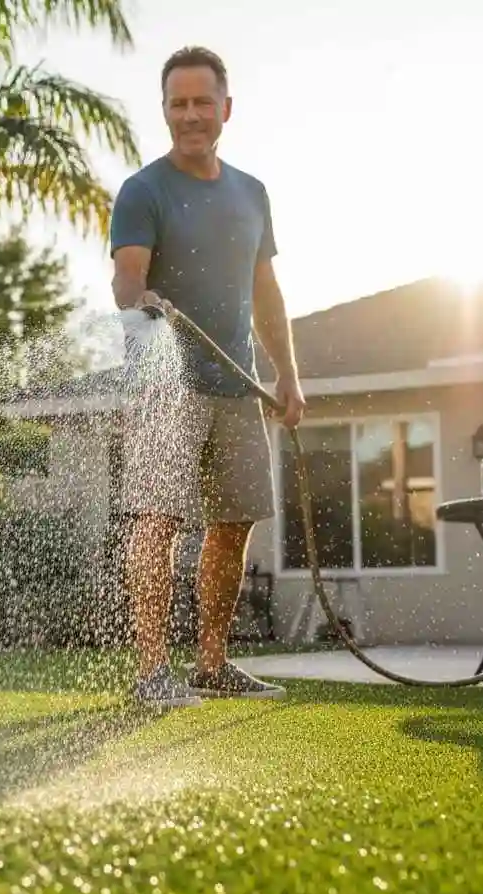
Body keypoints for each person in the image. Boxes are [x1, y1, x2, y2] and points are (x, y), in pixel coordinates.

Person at [109, 45, 306, 708]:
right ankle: (150, 675)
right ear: (165, 110)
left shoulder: (252, 193)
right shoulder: (144, 191)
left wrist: (288, 375)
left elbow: (266, 291)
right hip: (166, 388)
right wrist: (142, 299)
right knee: (158, 522)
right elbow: (127, 276)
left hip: (236, 385)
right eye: (177, 103)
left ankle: (213, 665)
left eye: (201, 101)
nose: (190, 114)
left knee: (234, 522)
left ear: (226, 107)